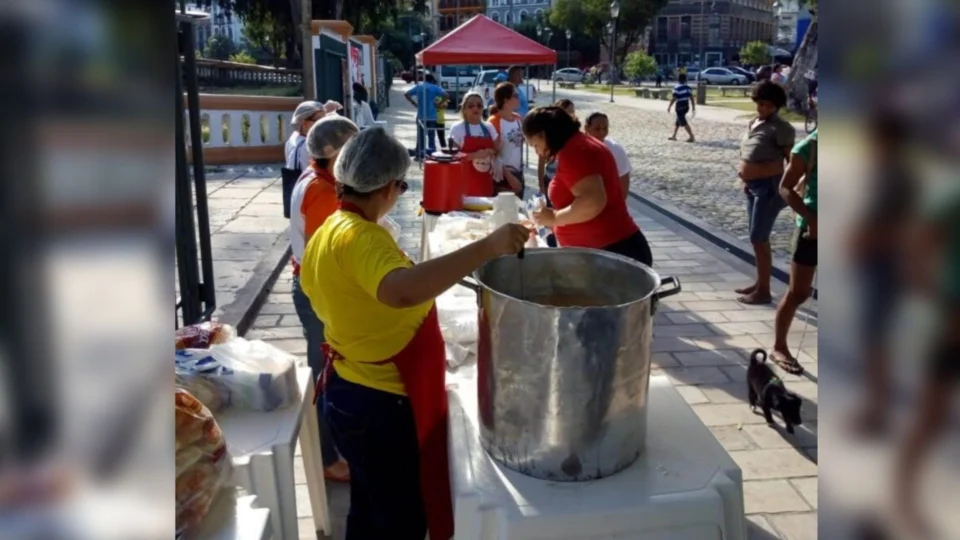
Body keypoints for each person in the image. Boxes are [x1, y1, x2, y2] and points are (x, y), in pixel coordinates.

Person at [300, 127, 531, 540]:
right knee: (400, 518)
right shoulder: (361, 238)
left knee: (370, 506)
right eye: (402, 186)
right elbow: (402, 291)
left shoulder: (330, 228)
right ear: (387, 187)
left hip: (350, 391)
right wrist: (487, 247)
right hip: (378, 405)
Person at [288, 116, 360, 483]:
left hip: (311, 286)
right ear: (333, 153)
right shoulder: (321, 191)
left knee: (328, 370)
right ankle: (326, 459)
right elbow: (326, 255)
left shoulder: (320, 179)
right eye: (351, 152)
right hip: (314, 292)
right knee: (324, 375)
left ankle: (333, 446)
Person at [523, 107, 652, 266]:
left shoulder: (575, 151)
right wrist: (550, 221)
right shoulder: (579, 144)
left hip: (610, 253)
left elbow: (592, 202)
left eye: (535, 144)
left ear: (543, 134)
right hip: (608, 250)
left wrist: (554, 218)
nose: (537, 152)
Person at [736, 81, 796, 305]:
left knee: (758, 237)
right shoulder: (754, 122)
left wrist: (790, 188)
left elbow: (792, 162)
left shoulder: (781, 128)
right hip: (752, 187)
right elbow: (747, 153)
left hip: (769, 189)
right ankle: (760, 282)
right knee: (757, 239)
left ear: (777, 106)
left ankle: (764, 291)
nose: (763, 108)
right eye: (760, 103)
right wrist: (745, 177)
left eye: (768, 105)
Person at [768, 128, 816, 375]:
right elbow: (785, 187)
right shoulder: (808, 148)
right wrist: (811, 218)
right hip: (812, 231)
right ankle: (779, 347)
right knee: (798, 292)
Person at [448, 92, 499, 195]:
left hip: (485, 183)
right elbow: (453, 156)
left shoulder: (489, 127)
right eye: (471, 106)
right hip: (464, 184)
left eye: (479, 105)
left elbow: (498, 149)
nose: (475, 108)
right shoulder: (457, 128)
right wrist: (475, 155)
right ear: (464, 109)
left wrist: (492, 152)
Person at [583, 111, 632, 199]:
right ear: (587, 128)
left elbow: (624, 180)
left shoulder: (615, 149)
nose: (602, 132)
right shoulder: (579, 149)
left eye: (605, 128)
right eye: (597, 129)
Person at [488, 83, 526, 198]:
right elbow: (493, 154)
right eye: (515, 95)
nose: (519, 98)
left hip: (518, 172)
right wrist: (509, 177)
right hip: (503, 176)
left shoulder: (518, 119)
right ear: (506, 100)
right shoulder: (494, 121)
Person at [404, 73, 447, 158]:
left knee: (420, 136)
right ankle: (431, 152)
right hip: (432, 116)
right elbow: (446, 95)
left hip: (421, 115)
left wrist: (414, 103)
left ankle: (420, 153)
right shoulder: (435, 87)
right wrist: (439, 104)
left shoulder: (419, 87)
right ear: (432, 80)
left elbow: (407, 94)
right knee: (431, 135)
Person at [667, 73, 696, 142]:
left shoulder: (677, 87)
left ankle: (691, 136)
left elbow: (674, 98)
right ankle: (674, 135)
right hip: (686, 105)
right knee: (678, 120)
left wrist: (669, 106)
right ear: (685, 79)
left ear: (678, 79)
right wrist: (693, 107)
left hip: (680, 105)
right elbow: (691, 98)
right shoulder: (688, 88)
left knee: (683, 121)